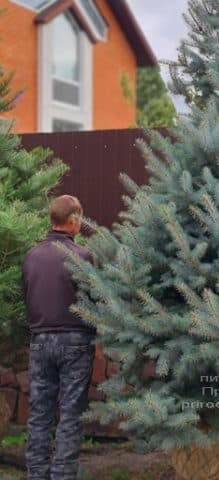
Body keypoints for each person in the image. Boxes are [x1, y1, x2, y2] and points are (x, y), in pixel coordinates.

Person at [22, 194, 97, 480]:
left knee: (39, 412)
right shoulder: (82, 257)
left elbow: (28, 295)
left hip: (40, 341)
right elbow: (93, 303)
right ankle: (63, 476)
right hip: (76, 342)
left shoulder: (32, 256)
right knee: (70, 412)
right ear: (73, 221)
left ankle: (36, 475)